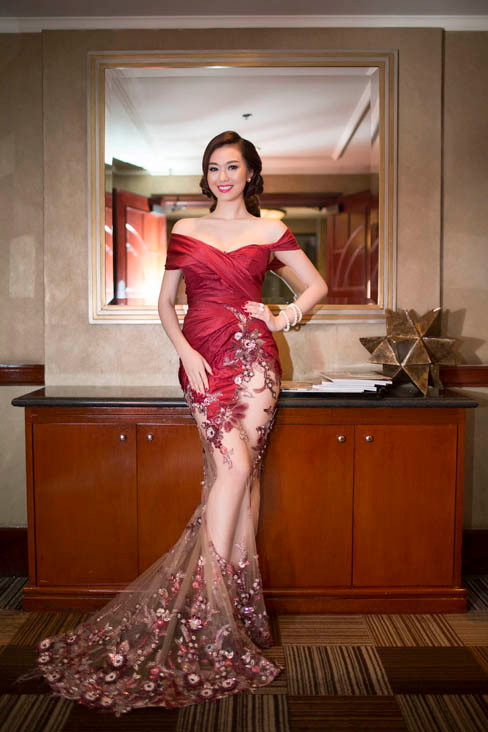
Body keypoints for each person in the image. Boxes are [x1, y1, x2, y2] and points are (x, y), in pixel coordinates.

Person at [14, 130, 328, 716]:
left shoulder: (270, 231)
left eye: (232, 167)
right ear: (206, 176)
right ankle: (208, 607)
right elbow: (165, 302)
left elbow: (317, 286)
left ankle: (236, 612)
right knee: (233, 468)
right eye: (213, 168)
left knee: (246, 476)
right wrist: (186, 352)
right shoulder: (187, 228)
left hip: (256, 360)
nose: (222, 177)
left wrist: (282, 315)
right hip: (203, 356)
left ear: (250, 173)